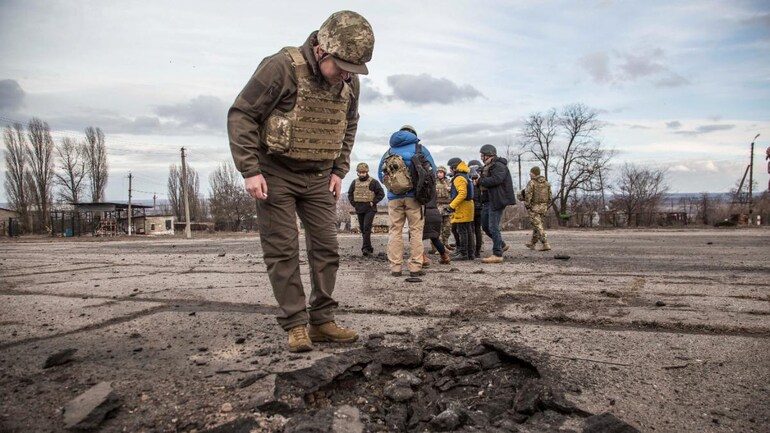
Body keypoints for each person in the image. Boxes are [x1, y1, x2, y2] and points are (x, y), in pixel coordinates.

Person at [227, 10, 374, 353]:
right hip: (275, 173)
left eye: (352, 71)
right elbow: (242, 115)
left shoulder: (349, 80)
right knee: (283, 250)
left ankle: (322, 321)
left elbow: (349, 123)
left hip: (320, 176)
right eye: (341, 68)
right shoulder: (281, 67)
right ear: (322, 50)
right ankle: (295, 324)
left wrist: (339, 169)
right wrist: (250, 169)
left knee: (326, 248)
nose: (345, 77)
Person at [378, 125, 436, 277]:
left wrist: (393, 188)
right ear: (413, 134)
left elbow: (380, 174)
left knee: (395, 231)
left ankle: (395, 267)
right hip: (414, 198)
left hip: (393, 198)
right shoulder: (420, 149)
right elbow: (432, 172)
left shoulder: (389, 151)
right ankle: (415, 267)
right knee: (416, 231)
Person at [476, 144, 517, 263]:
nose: (481, 157)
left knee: (493, 227)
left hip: (497, 200)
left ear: (488, 154)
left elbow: (496, 180)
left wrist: (481, 180)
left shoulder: (499, 166)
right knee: (486, 227)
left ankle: (497, 254)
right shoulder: (488, 167)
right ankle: (502, 244)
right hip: (487, 200)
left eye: (482, 155)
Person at [347, 162, 385, 257]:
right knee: (363, 229)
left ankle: (365, 249)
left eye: (364, 172)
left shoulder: (373, 182)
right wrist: (354, 204)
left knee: (366, 228)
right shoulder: (354, 182)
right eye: (360, 172)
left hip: (369, 209)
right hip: (359, 208)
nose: (362, 174)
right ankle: (369, 247)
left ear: (367, 172)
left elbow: (381, 193)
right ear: (358, 173)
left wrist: (373, 202)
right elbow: (350, 194)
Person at [446, 157, 475, 260]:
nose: (450, 170)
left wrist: (451, 206)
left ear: (454, 168)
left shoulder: (459, 178)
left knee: (462, 230)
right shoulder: (466, 176)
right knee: (468, 230)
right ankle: (470, 253)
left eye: (450, 168)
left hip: (463, 207)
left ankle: (463, 253)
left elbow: (462, 193)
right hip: (468, 206)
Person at [522, 166, 552, 251]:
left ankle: (545, 243)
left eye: (531, 172)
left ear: (534, 173)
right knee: (537, 225)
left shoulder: (532, 183)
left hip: (534, 208)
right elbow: (550, 197)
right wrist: (546, 206)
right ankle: (532, 244)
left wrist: (527, 205)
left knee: (538, 226)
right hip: (544, 207)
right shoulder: (547, 183)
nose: (529, 174)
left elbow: (528, 195)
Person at [421, 184, 451, 267]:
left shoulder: (420, 187)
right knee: (435, 238)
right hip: (435, 212)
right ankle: (444, 257)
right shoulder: (433, 187)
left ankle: (422, 258)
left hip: (425, 213)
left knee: (416, 237)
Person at [433, 166, 453, 253]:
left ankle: (445, 244)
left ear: (444, 173)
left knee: (447, 228)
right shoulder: (434, 182)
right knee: (438, 228)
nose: (439, 174)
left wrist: (450, 189)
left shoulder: (448, 182)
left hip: (447, 207)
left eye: (441, 172)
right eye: (438, 173)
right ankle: (437, 247)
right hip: (438, 206)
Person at [468, 159, 484, 258]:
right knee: (477, 229)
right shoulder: (482, 180)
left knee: (472, 229)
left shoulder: (469, 181)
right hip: (479, 207)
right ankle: (477, 250)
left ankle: (474, 250)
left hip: (474, 207)